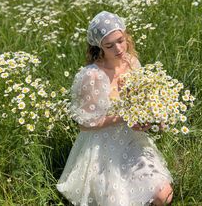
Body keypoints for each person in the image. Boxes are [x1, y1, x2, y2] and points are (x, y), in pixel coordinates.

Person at [57, 11, 173, 206]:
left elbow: (141, 102)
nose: (118, 49)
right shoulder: (92, 76)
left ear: (126, 36)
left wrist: (151, 119)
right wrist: (124, 117)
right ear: (99, 47)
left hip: (132, 139)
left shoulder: (131, 62)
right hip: (102, 147)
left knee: (164, 196)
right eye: (109, 45)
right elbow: (85, 124)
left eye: (121, 41)